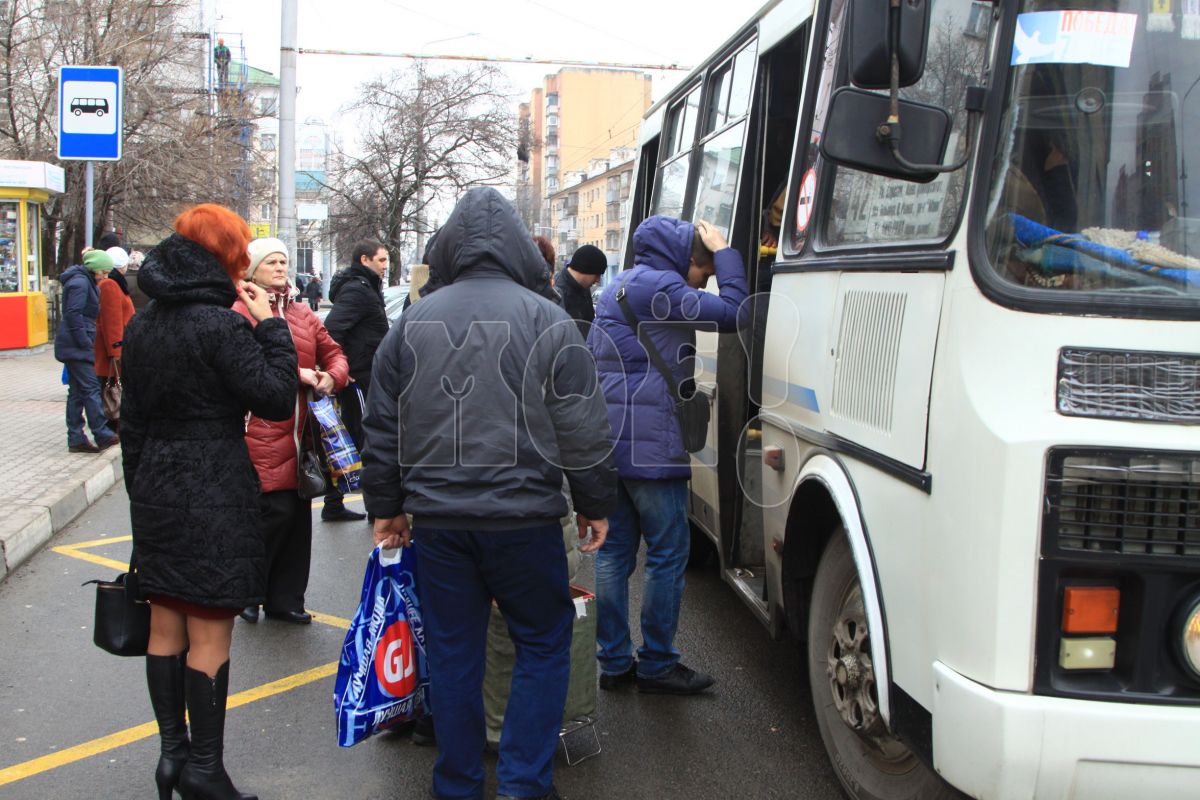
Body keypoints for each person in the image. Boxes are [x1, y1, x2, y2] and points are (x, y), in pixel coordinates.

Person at [362, 187, 616, 800]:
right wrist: (595, 503)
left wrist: (387, 507)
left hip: (441, 523)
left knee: (453, 655)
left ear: (450, 247)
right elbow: (582, 425)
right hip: (525, 518)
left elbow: (381, 423)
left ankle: (457, 783)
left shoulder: (412, 322)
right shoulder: (549, 318)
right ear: (518, 250)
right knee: (543, 641)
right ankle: (524, 784)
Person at [121, 204, 297, 800]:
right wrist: (269, 322)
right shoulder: (221, 324)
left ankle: (171, 758)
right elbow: (274, 397)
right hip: (216, 487)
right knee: (210, 635)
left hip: (155, 490)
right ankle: (203, 769)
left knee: (165, 626)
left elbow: (132, 425)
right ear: (225, 257)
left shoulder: (143, 325)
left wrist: (142, 499)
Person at [587, 216, 748, 695]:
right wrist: (727, 253)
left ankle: (614, 662)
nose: (704, 279)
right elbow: (737, 312)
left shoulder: (618, 286)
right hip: (652, 448)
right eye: (704, 269)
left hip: (608, 443)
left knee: (614, 554)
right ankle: (657, 662)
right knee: (666, 553)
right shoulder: (664, 289)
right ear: (689, 259)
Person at [234, 239, 349, 626]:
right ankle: (249, 593)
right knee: (270, 512)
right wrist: (298, 374)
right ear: (252, 269)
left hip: (304, 431)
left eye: (284, 260)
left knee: (299, 517)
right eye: (272, 261)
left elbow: (335, 353)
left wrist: (331, 378)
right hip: (260, 427)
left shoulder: (302, 313)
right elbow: (241, 364)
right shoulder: (240, 311)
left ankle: (285, 600)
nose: (281, 267)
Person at [321, 240, 390, 522]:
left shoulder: (365, 287)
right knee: (364, 439)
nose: (386, 266)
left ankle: (335, 503)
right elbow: (331, 329)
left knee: (352, 438)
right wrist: (341, 365)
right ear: (365, 260)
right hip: (360, 376)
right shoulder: (357, 290)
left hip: (364, 373)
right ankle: (370, 507)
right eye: (382, 260)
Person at [55, 248, 119, 453]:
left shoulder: (84, 281)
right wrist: (85, 342)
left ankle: (76, 438)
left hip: (75, 344)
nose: (106, 276)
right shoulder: (81, 283)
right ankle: (101, 433)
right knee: (91, 389)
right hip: (76, 346)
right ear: (96, 269)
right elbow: (73, 314)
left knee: (76, 392)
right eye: (104, 272)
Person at [94, 247, 135, 430]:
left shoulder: (113, 283)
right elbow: (112, 320)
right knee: (110, 386)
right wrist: (116, 349)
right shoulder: (110, 284)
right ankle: (110, 421)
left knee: (110, 386)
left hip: (113, 345)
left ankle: (109, 421)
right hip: (111, 348)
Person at [555, 243, 606, 339]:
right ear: (586, 269)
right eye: (597, 275)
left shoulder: (583, 288)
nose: (598, 280)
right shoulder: (557, 293)